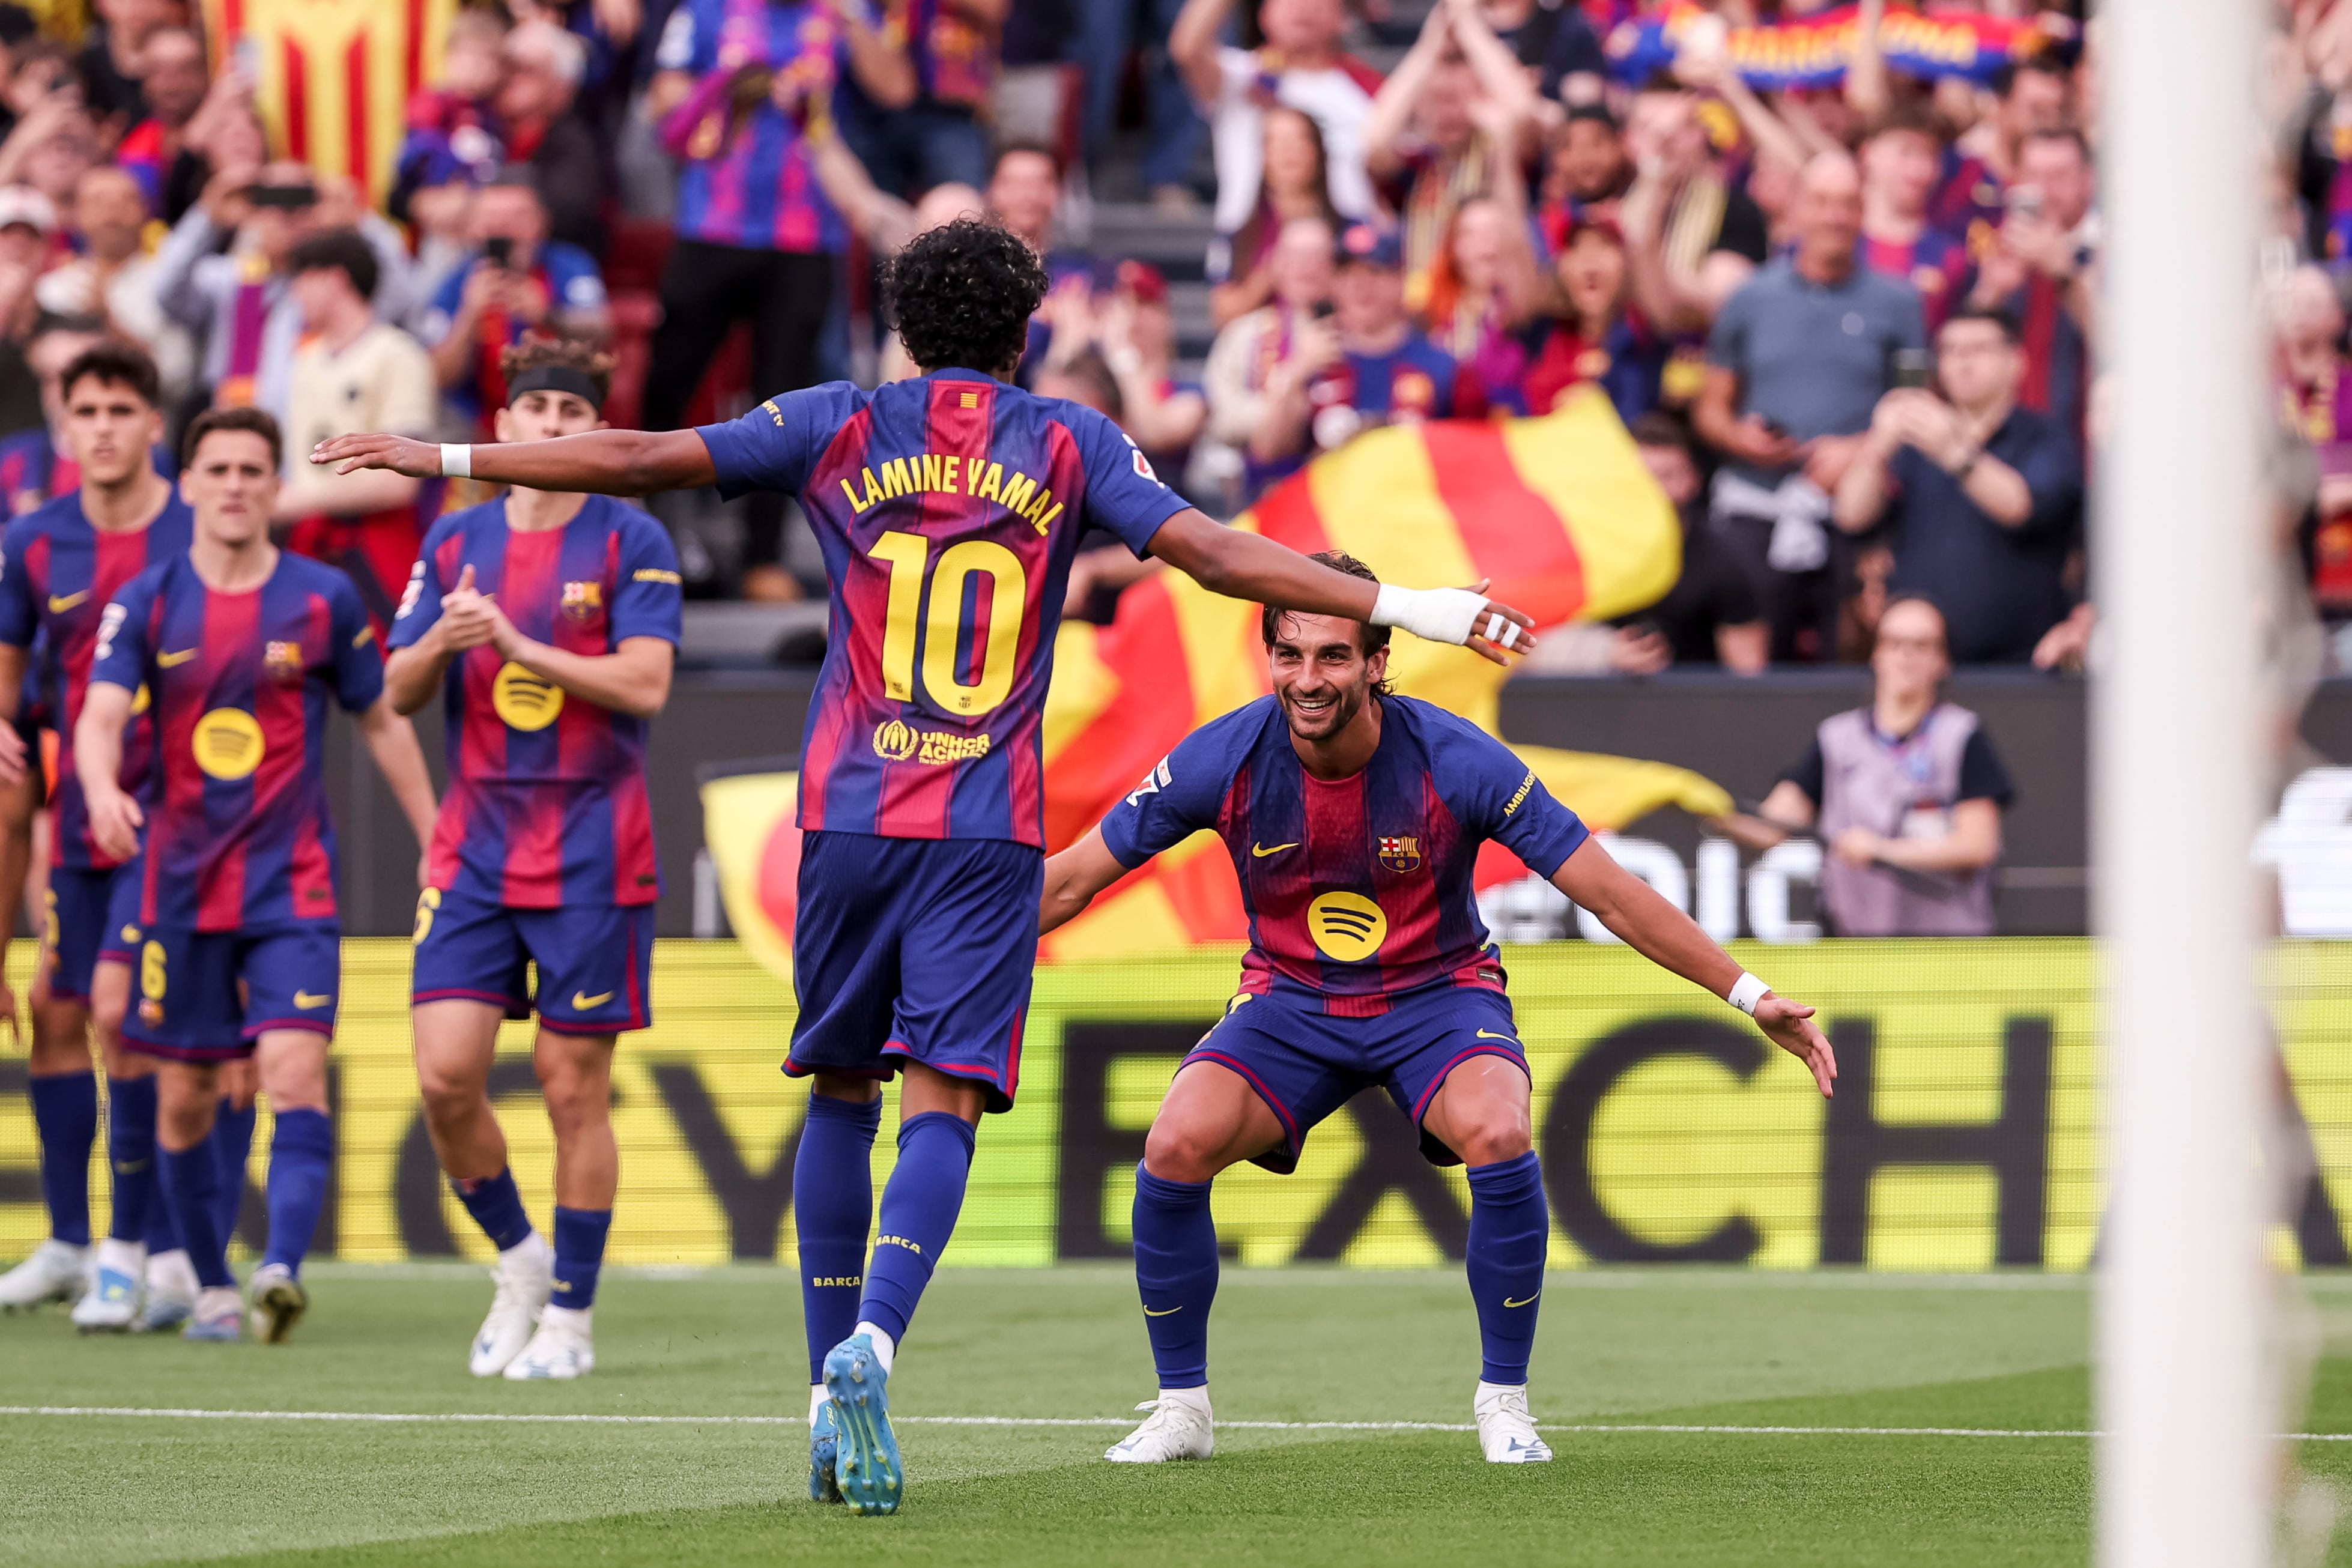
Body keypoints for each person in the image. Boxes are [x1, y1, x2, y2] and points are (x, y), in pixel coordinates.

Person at [312, 215, 1536, 1515]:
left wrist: (442, 453)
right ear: (1025, 333)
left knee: (840, 1094)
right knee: (940, 1103)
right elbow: (1211, 555)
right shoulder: (1067, 441)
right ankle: (876, 1342)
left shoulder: (839, 419)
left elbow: (632, 456)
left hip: (843, 816)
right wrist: (1404, 605)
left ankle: (814, 1387)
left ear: (903, 327)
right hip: (980, 827)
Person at [1038, 549, 1835, 1467]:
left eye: (1333, 656)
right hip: (1291, 1001)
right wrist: (925, 957)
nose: (1308, 678)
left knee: (1498, 1132)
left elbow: (1611, 895)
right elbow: (1067, 885)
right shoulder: (1220, 755)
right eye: (1289, 654)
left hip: (1438, 997)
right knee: (1174, 1143)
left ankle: (1505, 1400)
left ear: (1378, 661)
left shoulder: (1456, 758)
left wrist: (1748, 994)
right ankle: (1183, 1408)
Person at [75, 405, 438, 1343]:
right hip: (178, 886)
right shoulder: (150, 599)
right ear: (188, 483)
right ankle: (212, 1284)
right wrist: (101, 786)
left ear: (274, 489)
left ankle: (280, 1264)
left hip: (291, 887)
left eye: (251, 470)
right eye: (218, 469)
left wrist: (436, 831)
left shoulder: (322, 599)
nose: (235, 484)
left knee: (293, 1069)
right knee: (185, 1096)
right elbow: (100, 715)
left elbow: (382, 719)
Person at [378, 339, 682, 1382]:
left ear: (594, 429)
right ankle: (518, 1260)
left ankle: (571, 1316)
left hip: (595, 849)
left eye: (570, 411)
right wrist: (439, 647)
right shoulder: (456, 536)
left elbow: (644, 686)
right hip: (473, 848)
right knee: (444, 1077)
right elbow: (400, 689)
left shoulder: (632, 534)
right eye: (536, 408)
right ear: (502, 426)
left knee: (571, 1090)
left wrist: (514, 643)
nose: (550, 426)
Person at [0, 342, 195, 1325]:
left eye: (123, 408)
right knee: (59, 1009)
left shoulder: (200, 529)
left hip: (184, 823)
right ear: (65, 426)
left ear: (153, 425)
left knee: (136, 1019)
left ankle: (152, 1244)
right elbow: (7, 683)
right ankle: (76, 1241)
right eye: (88, 411)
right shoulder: (33, 541)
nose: (106, 426)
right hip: (79, 821)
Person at [645, 0, 860, 600]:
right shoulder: (705, 12)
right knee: (668, 381)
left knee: (785, 398)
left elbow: (895, 91)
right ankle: (641, 531)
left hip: (807, 232)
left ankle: (762, 555)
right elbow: (663, 102)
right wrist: (732, 84)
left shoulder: (845, 13)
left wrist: (856, 24)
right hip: (712, 224)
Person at [1694, 151, 1926, 664]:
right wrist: (1741, 438)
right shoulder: (1749, 298)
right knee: (1754, 665)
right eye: (1822, 202)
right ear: (1796, 208)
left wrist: (1861, 451)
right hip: (1755, 506)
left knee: (1846, 660)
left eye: (1848, 204)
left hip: (1853, 514)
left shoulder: (1899, 303)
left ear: (1863, 212)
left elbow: (1918, 407)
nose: (1835, 217)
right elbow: (1710, 408)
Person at [1721, 595, 2014, 937]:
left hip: (1950, 949)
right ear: (1877, 653)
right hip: (1860, 947)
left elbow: (1978, 845)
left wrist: (1882, 849)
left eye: (1921, 645)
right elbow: (1772, 825)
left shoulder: (1962, 736)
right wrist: (1708, 809)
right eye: (1894, 643)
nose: (1906, 655)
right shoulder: (1836, 739)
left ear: (1941, 660)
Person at [1834, 306, 2084, 665]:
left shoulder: (2045, 438)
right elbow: (1851, 515)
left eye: (1978, 349)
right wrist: (1877, 446)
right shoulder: (1914, 443)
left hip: (2021, 663)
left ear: (2017, 362)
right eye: (1950, 351)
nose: (1962, 362)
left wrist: (1953, 451)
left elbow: (2021, 507)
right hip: (1923, 665)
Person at [273, 229, 440, 629]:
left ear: (336, 278)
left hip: (376, 547)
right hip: (311, 541)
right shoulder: (305, 359)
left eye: (302, 279)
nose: (296, 294)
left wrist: (300, 500)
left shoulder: (399, 355)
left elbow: (402, 481)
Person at [1253, 222, 1484, 487]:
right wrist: (1295, 375)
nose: (1358, 286)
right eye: (1346, 274)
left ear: (1400, 281)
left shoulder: (1443, 367)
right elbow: (1267, 452)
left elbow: (1474, 462)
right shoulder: (1313, 363)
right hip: (1332, 515)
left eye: (1374, 272)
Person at [1171, 0, 1381, 247]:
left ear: (1342, 18)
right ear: (1264, 14)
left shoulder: (1366, 88)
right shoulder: (1241, 76)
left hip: (1344, 254)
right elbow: (1187, 49)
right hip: (1250, 257)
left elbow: (1389, 166)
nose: (1302, 8)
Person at [420, 169, 609, 437]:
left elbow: (602, 335)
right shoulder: (457, 281)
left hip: (557, 417)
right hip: (477, 426)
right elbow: (437, 377)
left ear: (541, 222)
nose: (502, 228)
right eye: (491, 219)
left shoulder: (568, 265)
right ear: (474, 227)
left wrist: (548, 315)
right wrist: (469, 315)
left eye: (516, 218)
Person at [1201, 212, 1334, 507]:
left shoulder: (1351, 334)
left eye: (1316, 256)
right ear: (1278, 265)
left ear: (1334, 267)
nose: (1306, 268)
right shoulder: (1244, 334)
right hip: (1262, 491)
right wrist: (1291, 386)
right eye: (1295, 256)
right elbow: (1223, 415)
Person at [1207, 104, 1341, 330]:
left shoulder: (1347, 228)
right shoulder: (1238, 235)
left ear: (1318, 151)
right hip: (1264, 348)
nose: (1290, 151)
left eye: (1300, 140)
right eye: (1277, 143)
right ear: (1262, 156)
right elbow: (1221, 314)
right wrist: (1269, 276)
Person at [496, 22, 608, 259]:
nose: (510, 77)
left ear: (563, 86)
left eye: (527, 69)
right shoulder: (475, 126)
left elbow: (566, 219)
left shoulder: (576, 145)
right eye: (506, 67)